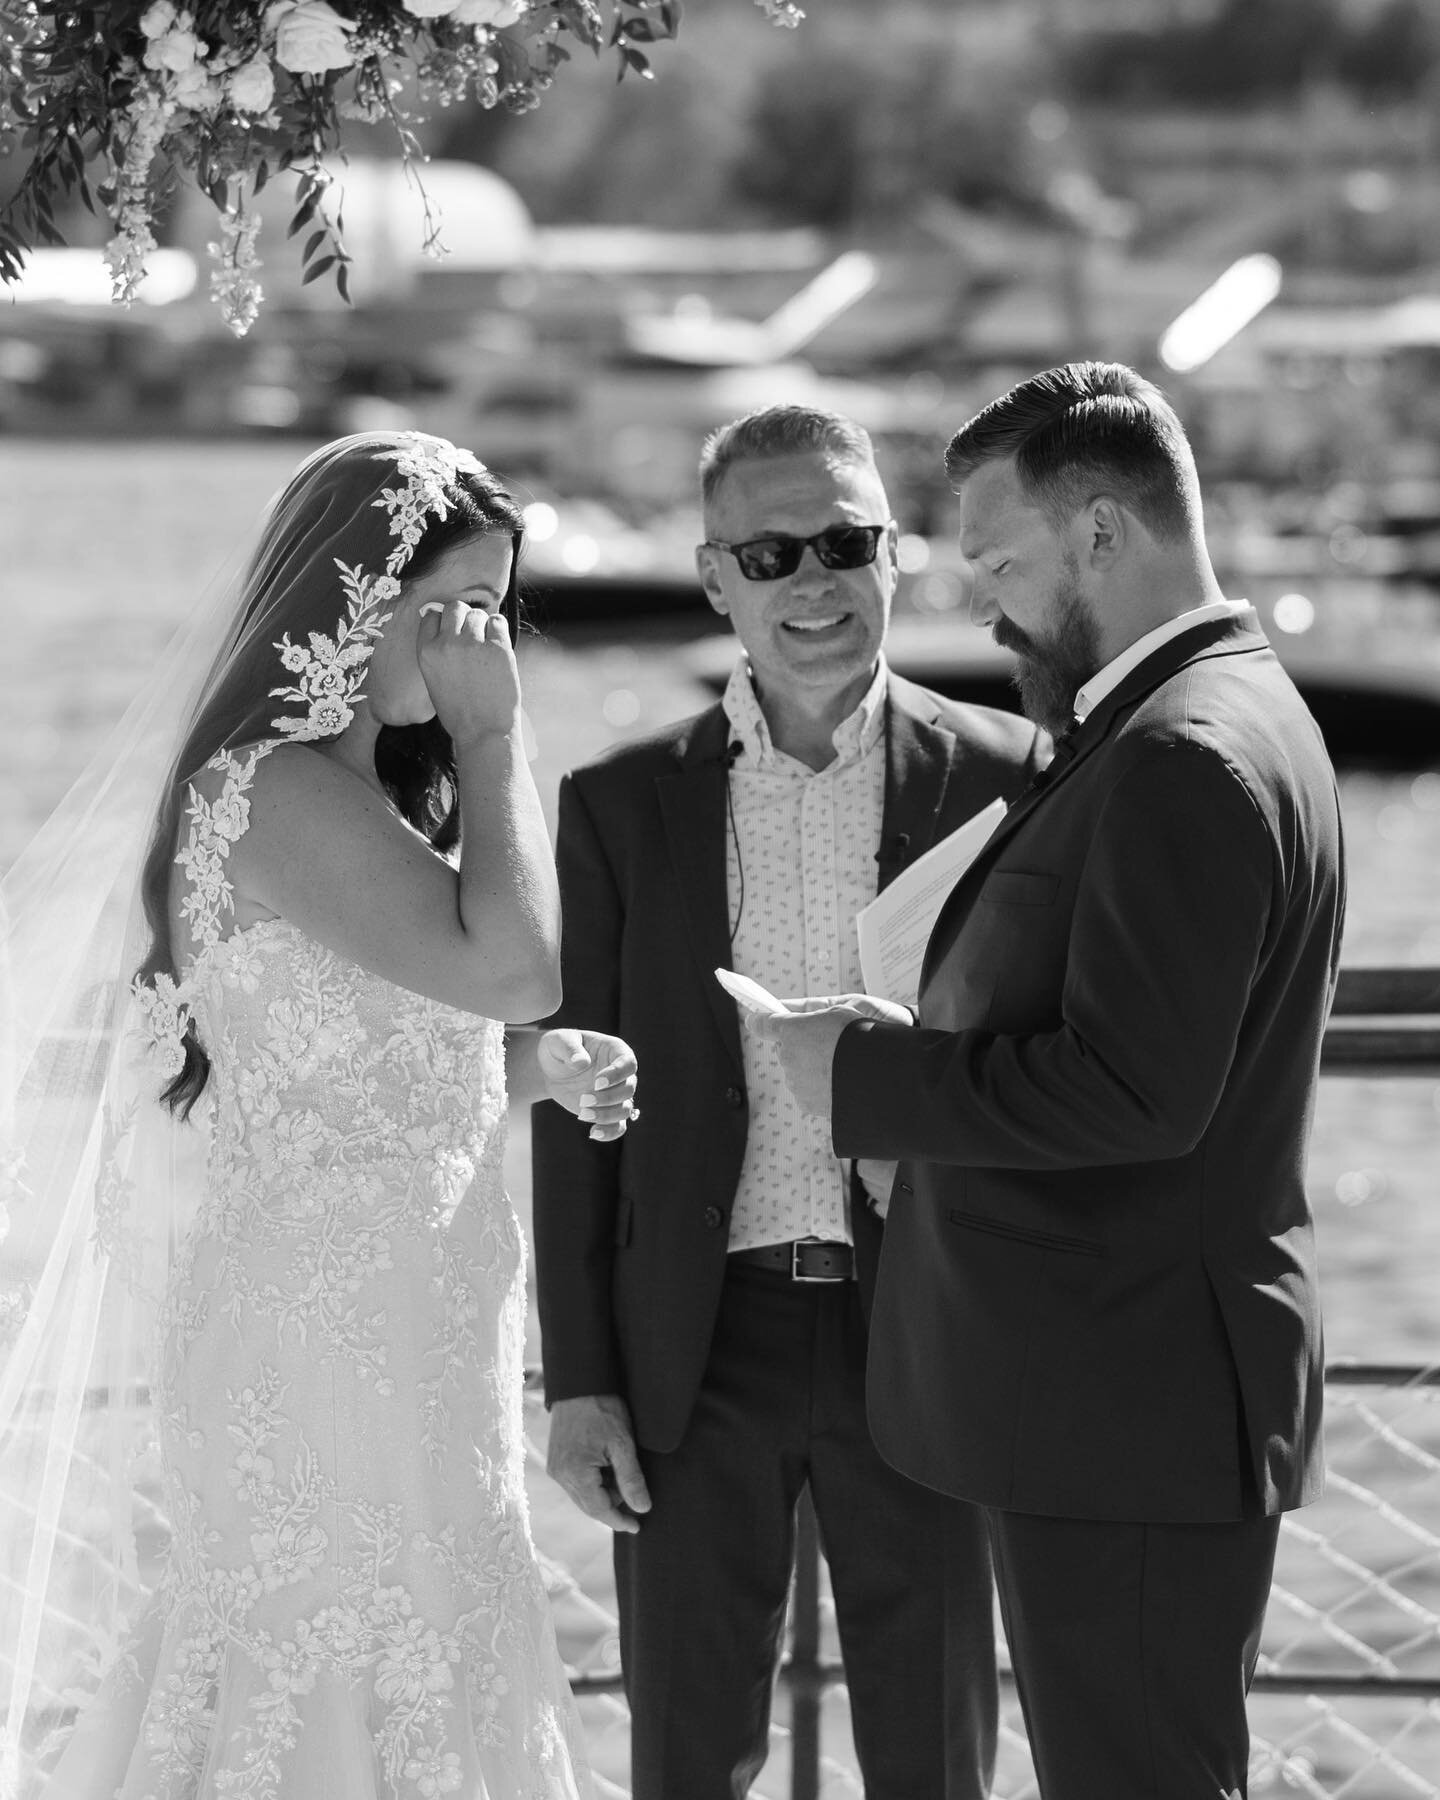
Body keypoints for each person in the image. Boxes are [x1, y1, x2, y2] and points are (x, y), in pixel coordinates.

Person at [0, 432, 639, 1799]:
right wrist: (495, 733)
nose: (484, 642)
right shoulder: (274, 791)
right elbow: (516, 964)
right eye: (457, 607)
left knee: (435, 1620)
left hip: (420, 1321)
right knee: (338, 1637)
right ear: (357, 597)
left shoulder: (356, 799)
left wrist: (525, 1073)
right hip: (327, 1341)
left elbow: (359, 1067)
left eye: (498, 610)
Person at [755, 362, 1347, 1800]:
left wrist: (867, 1079)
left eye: (1003, 561)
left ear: (1100, 534)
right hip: (1121, 1392)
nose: (985, 602)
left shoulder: (1183, 755)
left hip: (1130, 1402)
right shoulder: (1205, 714)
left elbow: (1139, 1095)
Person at [530, 404, 1047, 1800]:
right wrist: (579, 1379)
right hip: (698, 1346)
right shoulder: (619, 805)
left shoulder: (1013, 779)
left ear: (895, 553)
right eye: (770, 555)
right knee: (689, 1757)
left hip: (929, 1331)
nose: (813, 583)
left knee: (935, 1758)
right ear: (713, 578)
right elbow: (576, 1104)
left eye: (843, 542)